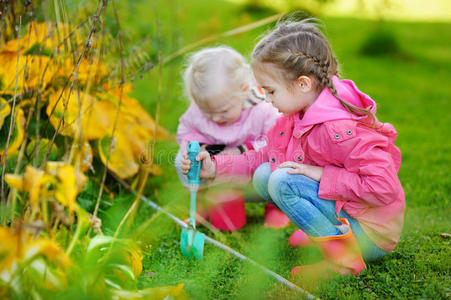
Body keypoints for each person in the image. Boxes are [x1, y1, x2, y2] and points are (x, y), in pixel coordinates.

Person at [181, 19, 405, 280]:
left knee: (283, 181)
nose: (266, 99)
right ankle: (328, 231)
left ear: (303, 84)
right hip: (350, 214)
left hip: (372, 234)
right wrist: (214, 167)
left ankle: (344, 259)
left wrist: (319, 172)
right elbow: (265, 157)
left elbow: (383, 187)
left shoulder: (339, 129)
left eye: (270, 90)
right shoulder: (297, 116)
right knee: (266, 174)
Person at [175, 46, 289, 231]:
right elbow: (187, 130)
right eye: (207, 112)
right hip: (215, 161)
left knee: (273, 169)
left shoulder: (263, 110)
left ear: (243, 90)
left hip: (253, 161)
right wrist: (197, 148)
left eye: (223, 111)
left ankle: (276, 207)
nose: (215, 118)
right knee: (182, 161)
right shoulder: (201, 110)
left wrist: (242, 150)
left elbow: (275, 140)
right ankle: (200, 203)